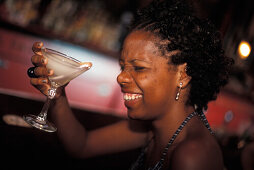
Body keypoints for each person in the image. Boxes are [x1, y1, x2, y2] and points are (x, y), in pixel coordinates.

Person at [27, 0, 233, 169]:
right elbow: (81, 145)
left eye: (139, 68)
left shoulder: (192, 156)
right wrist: (58, 95)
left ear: (183, 75)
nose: (121, 78)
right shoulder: (152, 127)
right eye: (123, 66)